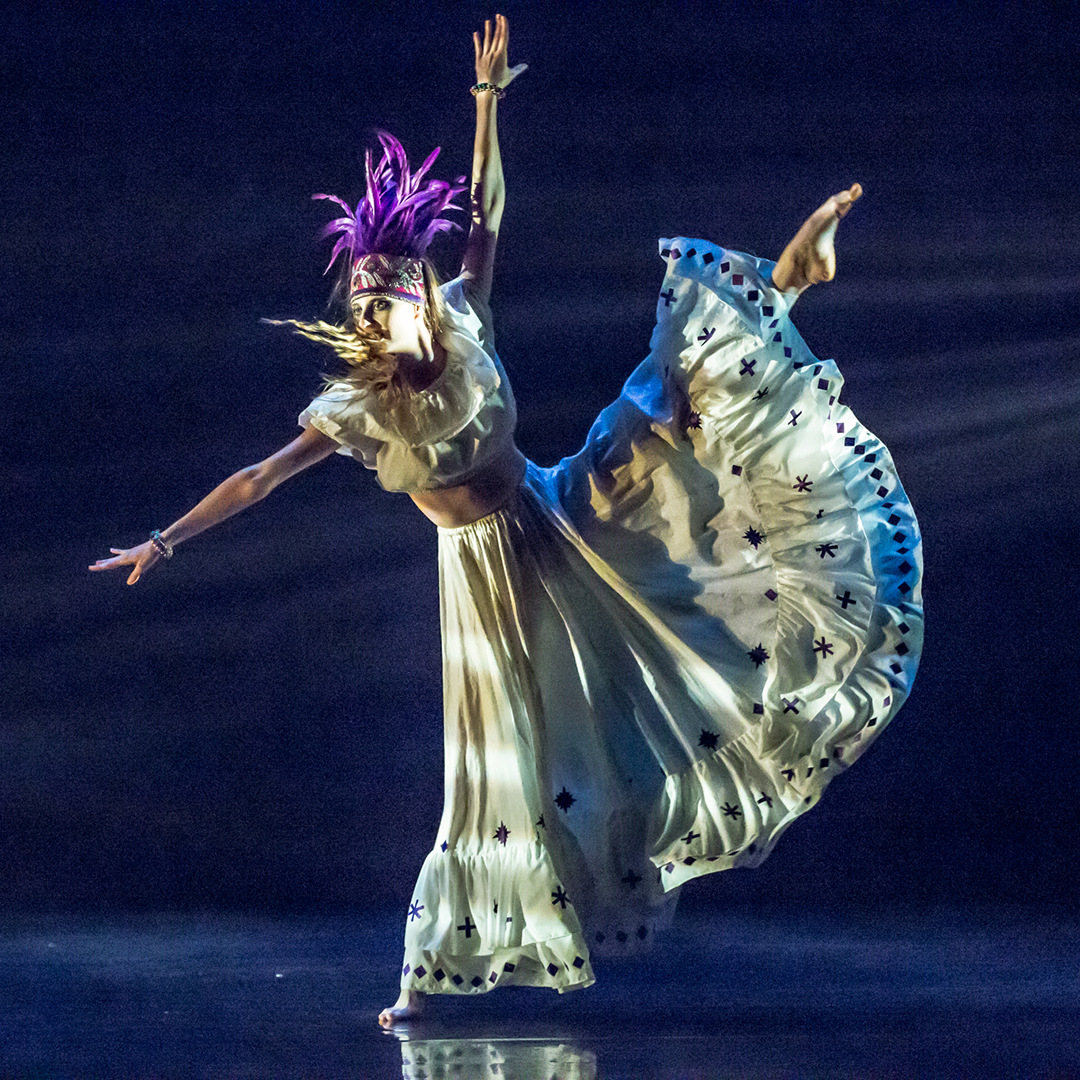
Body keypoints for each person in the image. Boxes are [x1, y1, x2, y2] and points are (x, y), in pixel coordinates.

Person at [91, 15, 923, 1028]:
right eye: (365, 298)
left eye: (392, 289)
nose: (378, 307)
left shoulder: (466, 318)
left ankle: (786, 279)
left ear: (417, 292)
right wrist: (165, 541)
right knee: (496, 778)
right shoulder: (355, 406)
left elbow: (485, 211)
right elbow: (259, 478)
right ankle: (430, 970)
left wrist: (486, 103)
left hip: (554, 518)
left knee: (669, 425)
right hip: (481, 585)